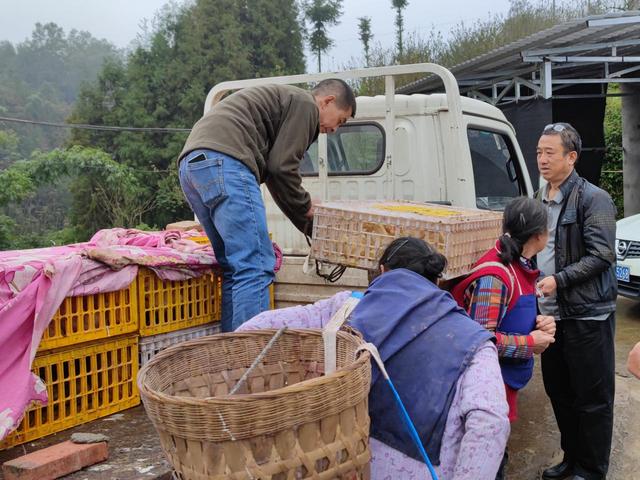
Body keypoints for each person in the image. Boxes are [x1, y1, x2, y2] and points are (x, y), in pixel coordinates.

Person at [239, 237, 510, 480]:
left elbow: (261, 329)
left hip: (346, 463)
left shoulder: (347, 307)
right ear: (436, 281)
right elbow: (490, 423)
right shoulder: (474, 341)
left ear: (382, 271)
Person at [177, 79, 356, 332]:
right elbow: (282, 168)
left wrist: (307, 223)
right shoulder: (306, 105)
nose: (336, 129)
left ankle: (234, 356)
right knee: (256, 265)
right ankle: (253, 359)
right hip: (226, 161)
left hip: (193, 166)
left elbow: (275, 174)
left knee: (235, 267)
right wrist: (306, 207)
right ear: (327, 101)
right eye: (341, 120)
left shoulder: (284, 102)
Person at [450, 196, 556, 479]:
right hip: (487, 387)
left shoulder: (520, 265)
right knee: (487, 460)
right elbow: (480, 342)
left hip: (504, 382)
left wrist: (538, 322)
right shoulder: (495, 276)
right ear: (539, 235)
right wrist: (530, 343)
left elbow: (510, 314)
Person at [535, 123, 617, 480]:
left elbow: (602, 255)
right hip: (551, 316)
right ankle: (571, 459)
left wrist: (558, 280)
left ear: (571, 157)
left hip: (587, 314)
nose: (542, 159)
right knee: (561, 392)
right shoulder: (539, 197)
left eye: (550, 153)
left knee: (592, 397)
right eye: (538, 152)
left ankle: (591, 469)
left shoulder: (593, 198)